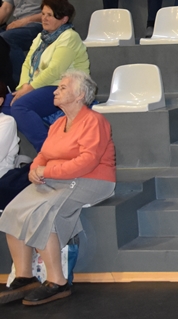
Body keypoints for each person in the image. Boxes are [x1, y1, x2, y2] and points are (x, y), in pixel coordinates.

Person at [0, 70, 115, 306]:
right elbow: (43, 154)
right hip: (57, 177)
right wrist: (35, 168)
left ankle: (57, 281)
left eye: (62, 88)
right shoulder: (58, 123)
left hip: (93, 179)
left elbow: (87, 162)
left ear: (80, 94)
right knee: (13, 210)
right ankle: (24, 276)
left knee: (43, 212)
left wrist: (47, 171)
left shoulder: (95, 121)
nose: (55, 91)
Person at [1, 0, 90, 152]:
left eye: (49, 15)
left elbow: (55, 70)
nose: (44, 18)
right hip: (39, 86)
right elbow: (27, 64)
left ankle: (47, 151)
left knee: (20, 106)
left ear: (64, 19)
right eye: (43, 14)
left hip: (64, 87)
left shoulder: (69, 36)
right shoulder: (40, 37)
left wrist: (29, 88)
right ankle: (49, 139)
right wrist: (23, 87)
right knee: (3, 103)